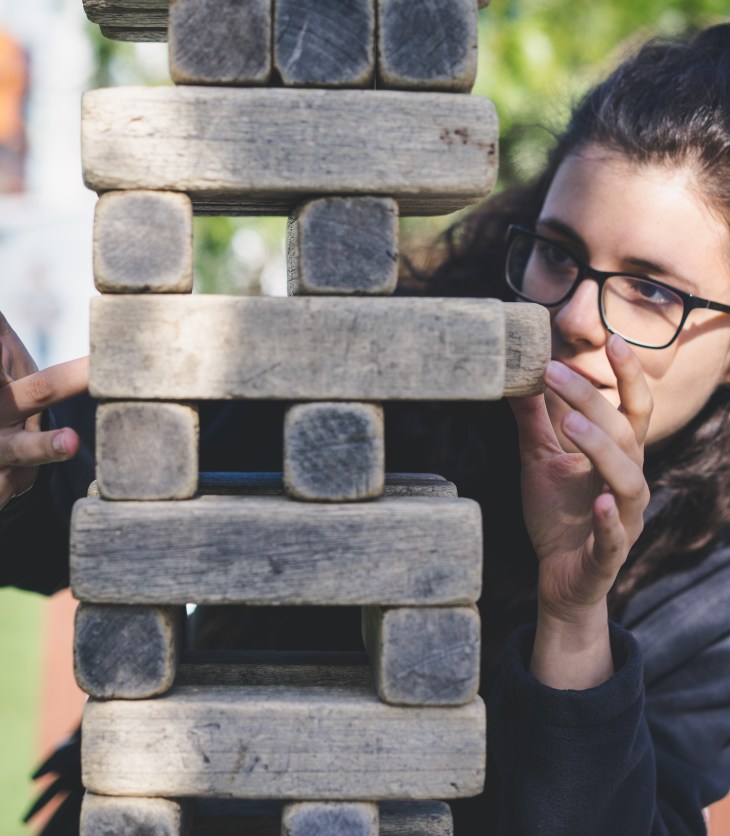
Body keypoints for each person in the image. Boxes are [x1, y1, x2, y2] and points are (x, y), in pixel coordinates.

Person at [2, 21, 729, 836]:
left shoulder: (716, 597)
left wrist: (574, 620)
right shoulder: (392, 357)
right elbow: (80, 504)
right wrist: (20, 460)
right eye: (559, 252)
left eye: (653, 292)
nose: (575, 317)